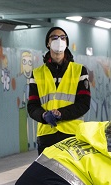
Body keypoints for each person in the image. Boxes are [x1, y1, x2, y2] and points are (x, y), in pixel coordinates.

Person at [27, 26, 91, 154]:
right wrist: (44, 115)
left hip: (72, 135)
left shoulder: (79, 71)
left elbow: (84, 104)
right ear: (48, 43)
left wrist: (61, 114)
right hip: (46, 136)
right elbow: (32, 106)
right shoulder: (37, 73)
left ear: (66, 43)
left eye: (62, 38)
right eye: (54, 37)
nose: (59, 40)